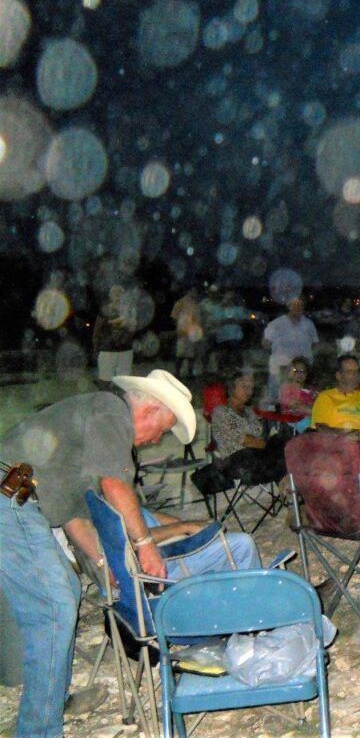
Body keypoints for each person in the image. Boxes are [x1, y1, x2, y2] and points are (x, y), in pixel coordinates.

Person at [0, 370, 195, 737]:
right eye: (162, 430)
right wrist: (145, 545)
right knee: (55, 606)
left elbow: (75, 515)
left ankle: (48, 704)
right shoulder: (110, 410)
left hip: (20, 503)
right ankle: (39, 729)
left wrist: (108, 569)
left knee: (61, 598)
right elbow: (116, 485)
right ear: (151, 409)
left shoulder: (92, 440)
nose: (155, 440)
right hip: (10, 498)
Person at [310, 355, 360, 472]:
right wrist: (344, 434)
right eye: (350, 371)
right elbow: (320, 428)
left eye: (358, 371)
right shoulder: (325, 397)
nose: (356, 375)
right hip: (335, 442)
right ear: (338, 376)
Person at [211, 370, 288, 487]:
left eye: (251, 387)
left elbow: (259, 435)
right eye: (244, 386)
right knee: (281, 450)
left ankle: (288, 485)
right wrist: (267, 445)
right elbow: (245, 440)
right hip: (236, 463)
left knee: (286, 443)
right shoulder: (221, 411)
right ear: (231, 388)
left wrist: (268, 443)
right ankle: (288, 485)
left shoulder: (249, 411)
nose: (249, 391)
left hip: (257, 457)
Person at [262, 297, 318, 405]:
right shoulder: (276, 324)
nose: (297, 307)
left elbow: (315, 343)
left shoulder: (309, 324)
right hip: (281, 369)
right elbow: (265, 343)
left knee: (301, 401)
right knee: (277, 400)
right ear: (288, 306)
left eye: (300, 304)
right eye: (294, 304)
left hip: (301, 370)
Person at [93, 284, 136, 383]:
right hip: (107, 350)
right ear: (110, 295)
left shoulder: (130, 310)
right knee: (105, 380)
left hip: (125, 351)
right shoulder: (105, 310)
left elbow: (133, 329)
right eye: (114, 292)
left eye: (120, 292)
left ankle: (119, 398)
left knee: (123, 381)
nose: (117, 294)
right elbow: (97, 330)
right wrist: (95, 349)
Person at [170, 287, 204, 379]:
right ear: (188, 291)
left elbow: (198, 319)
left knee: (191, 355)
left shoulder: (196, 304)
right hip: (182, 333)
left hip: (192, 333)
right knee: (180, 354)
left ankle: (190, 372)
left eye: (195, 292)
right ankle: (177, 373)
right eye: (192, 291)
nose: (194, 293)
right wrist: (179, 327)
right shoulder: (180, 302)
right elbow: (174, 317)